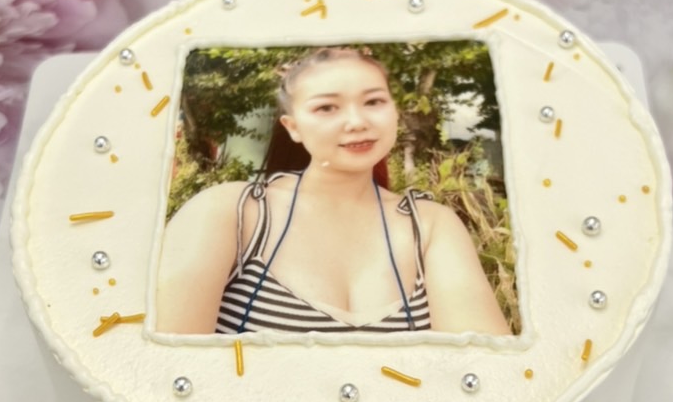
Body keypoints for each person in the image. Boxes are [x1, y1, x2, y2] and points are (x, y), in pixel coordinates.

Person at [154, 47, 511, 336]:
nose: (357, 122)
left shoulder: (429, 225)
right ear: (293, 127)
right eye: (327, 107)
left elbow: (484, 366)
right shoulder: (231, 211)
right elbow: (166, 369)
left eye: (373, 102)